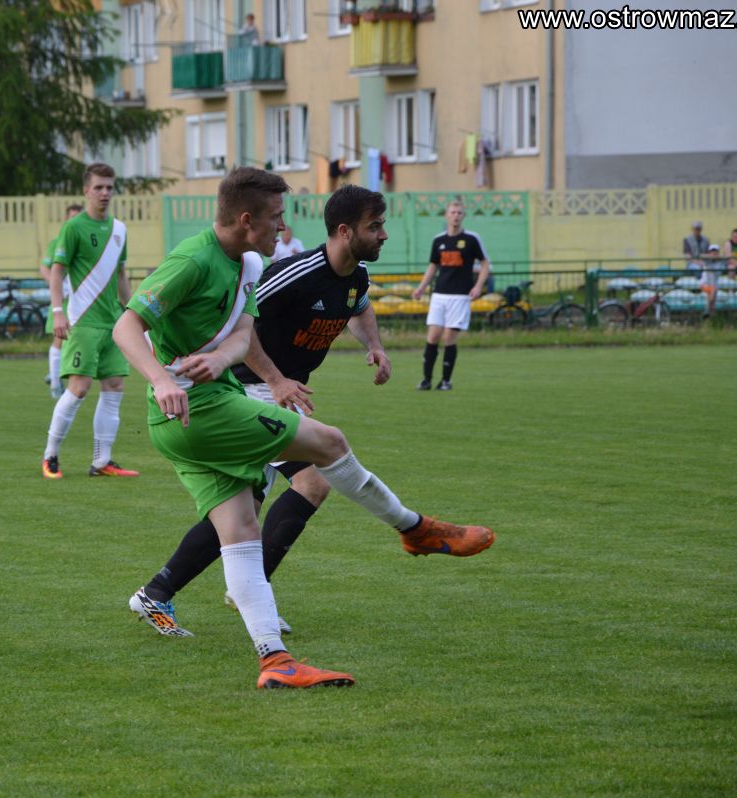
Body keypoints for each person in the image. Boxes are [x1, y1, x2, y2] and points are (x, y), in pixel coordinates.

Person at [113, 167, 493, 689]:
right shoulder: (194, 260)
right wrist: (161, 379)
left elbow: (242, 335)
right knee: (328, 447)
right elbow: (126, 325)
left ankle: (274, 662)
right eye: (276, 217)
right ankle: (414, 529)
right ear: (246, 219)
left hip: (209, 403)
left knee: (241, 528)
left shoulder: (249, 264)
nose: (284, 226)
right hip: (203, 408)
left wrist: (220, 358)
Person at [128, 184, 394, 638]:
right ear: (345, 231)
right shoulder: (285, 272)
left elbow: (359, 306)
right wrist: (273, 380)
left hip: (274, 393)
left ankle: (158, 591)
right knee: (312, 482)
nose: (383, 234)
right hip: (249, 391)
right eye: (376, 226)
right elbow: (242, 327)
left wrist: (376, 346)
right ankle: (251, 593)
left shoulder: (352, 275)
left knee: (241, 510)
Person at [42, 163, 139, 480]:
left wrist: (134, 311)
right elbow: (57, 271)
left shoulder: (119, 230)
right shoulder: (74, 228)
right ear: (86, 190)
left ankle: (102, 462)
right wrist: (58, 311)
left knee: (114, 386)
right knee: (79, 388)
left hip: (113, 324)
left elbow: (121, 275)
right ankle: (50, 456)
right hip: (83, 322)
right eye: (98, 187)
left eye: (109, 187)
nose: (105, 193)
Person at [411, 199, 491, 391]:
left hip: (460, 296)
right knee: (433, 337)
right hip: (439, 295)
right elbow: (433, 266)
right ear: (446, 215)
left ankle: (446, 381)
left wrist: (478, 286)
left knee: (448, 338)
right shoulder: (439, 240)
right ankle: (426, 380)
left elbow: (485, 264)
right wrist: (421, 287)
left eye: (459, 213)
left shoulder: (471, 239)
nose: (456, 216)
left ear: (463, 216)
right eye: (453, 212)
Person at [40, 203, 84, 399]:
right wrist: (58, 285)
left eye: (78, 217)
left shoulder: (85, 241)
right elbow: (45, 267)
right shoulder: (58, 241)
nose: (75, 221)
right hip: (64, 300)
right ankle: (56, 384)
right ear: (66, 219)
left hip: (81, 300)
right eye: (72, 217)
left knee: (75, 339)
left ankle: (57, 374)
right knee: (60, 338)